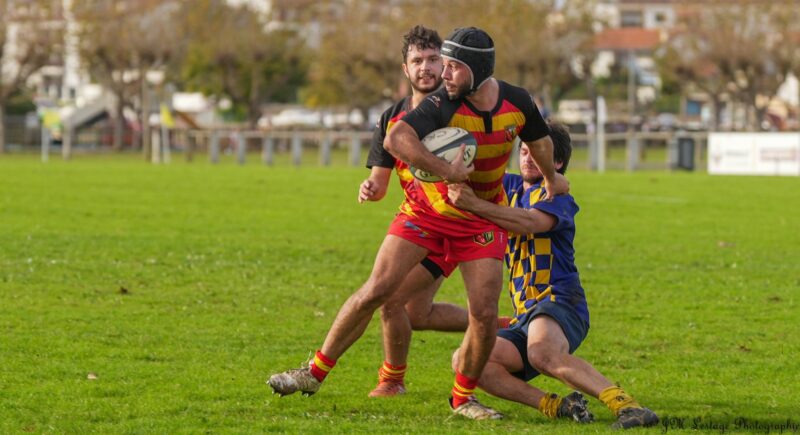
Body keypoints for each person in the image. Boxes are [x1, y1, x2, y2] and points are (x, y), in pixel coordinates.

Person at [268, 26, 568, 421]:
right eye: (427, 62)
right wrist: (445, 169)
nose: (442, 74)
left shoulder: (518, 102)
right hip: (423, 218)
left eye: (451, 66)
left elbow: (540, 140)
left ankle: (463, 399)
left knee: (482, 312)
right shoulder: (441, 103)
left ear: (477, 70)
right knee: (378, 291)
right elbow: (397, 140)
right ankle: (314, 372)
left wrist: (550, 177)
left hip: (479, 216)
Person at [447, 123, 659, 429]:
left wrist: (475, 205)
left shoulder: (557, 198)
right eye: (523, 151)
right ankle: (558, 405)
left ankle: (628, 406)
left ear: (556, 162)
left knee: (542, 353)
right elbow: (471, 168)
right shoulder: (507, 189)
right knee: (468, 361)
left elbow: (529, 222)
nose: (528, 158)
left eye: (537, 153)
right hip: (525, 314)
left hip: (559, 300)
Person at [360, 25, 479, 399]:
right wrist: (369, 189)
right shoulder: (390, 120)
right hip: (417, 226)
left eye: (433, 60)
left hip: (453, 227)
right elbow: (380, 183)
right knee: (417, 313)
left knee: (390, 299)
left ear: (445, 64)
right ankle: (505, 327)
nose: (426, 68)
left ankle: (392, 380)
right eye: (417, 61)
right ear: (405, 69)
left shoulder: (461, 108)